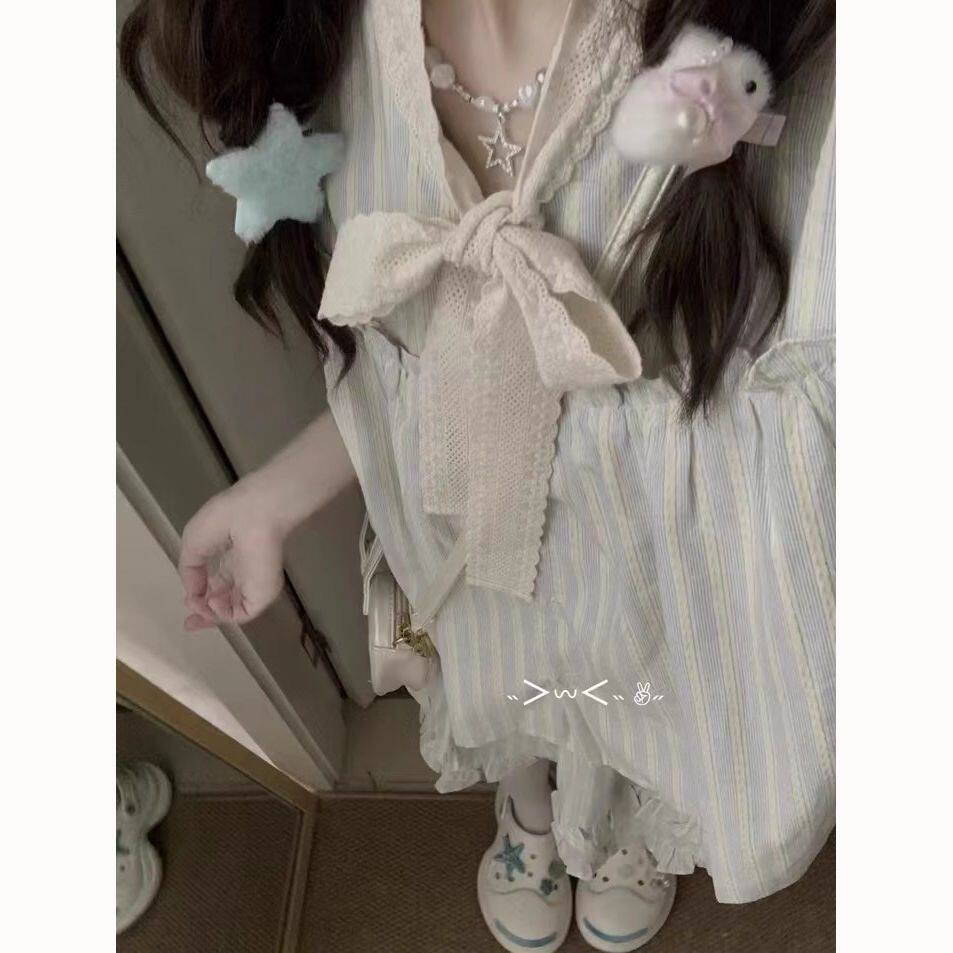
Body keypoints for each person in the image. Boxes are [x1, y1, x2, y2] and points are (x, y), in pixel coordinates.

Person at [121, 1, 835, 949]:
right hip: (462, 535)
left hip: (648, 556)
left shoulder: (765, 58)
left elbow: (802, 424)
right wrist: (275, 497)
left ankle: (611, 821)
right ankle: (531, 801)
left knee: (628, 706)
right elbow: (408, 366)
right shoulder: (321, 46)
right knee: (505, 690)